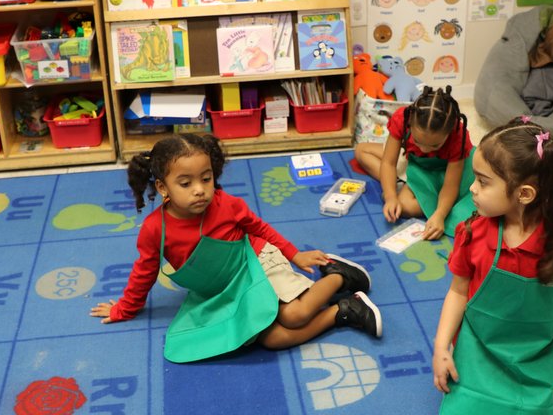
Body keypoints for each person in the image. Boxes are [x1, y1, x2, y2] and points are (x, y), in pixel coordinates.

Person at [90, 134, 383, 363]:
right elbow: (144, 273)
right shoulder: (156, 228)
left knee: (294, 316)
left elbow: (260, 229)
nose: (200, 189)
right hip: (224, 289)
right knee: (273, 339)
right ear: (163, 188)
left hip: (257, 261)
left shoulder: (226, 204)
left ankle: (339, 276)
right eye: (185, 182)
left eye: (206, 178)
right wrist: (124, 309)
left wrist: (294, 254)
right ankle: (345, 311)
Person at [431, 118, 553, 414]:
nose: (472, 189)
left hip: (533, 358)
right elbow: (458, 292)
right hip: (478, 351)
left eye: (482, 181)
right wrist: (441, 347)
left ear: (524, 194)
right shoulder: (472, 233)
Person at [353, 85, 475, 239]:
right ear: (410, 122)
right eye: (418, 141)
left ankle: (408, 186)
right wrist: (391, 196)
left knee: (405, 207)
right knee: (361, 150)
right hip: (411, 159)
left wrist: (439, 214)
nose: (424, 149)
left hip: (440, 170)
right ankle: (401, 183)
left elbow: (451, 186)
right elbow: (389, 162)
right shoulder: (403, 118)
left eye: (435, 145)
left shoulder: (458, 136)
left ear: (449, 132)